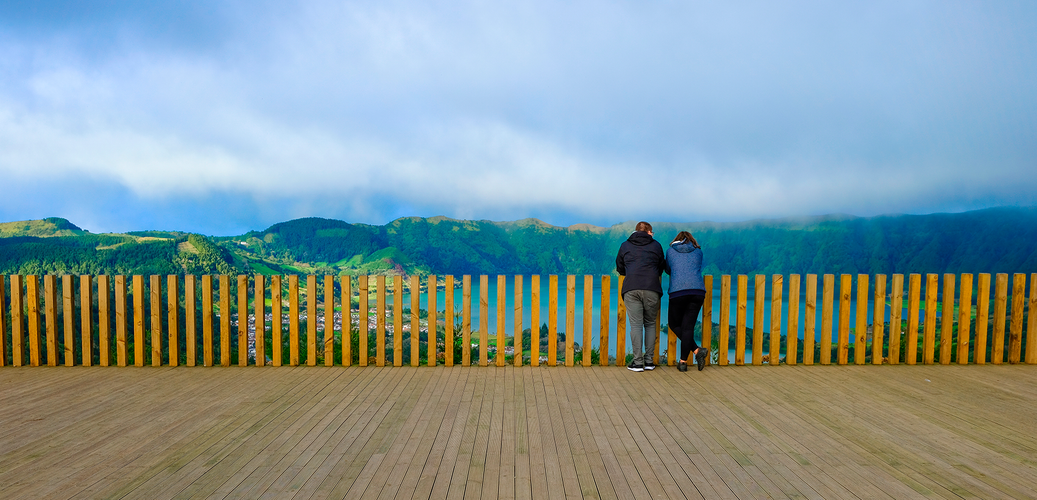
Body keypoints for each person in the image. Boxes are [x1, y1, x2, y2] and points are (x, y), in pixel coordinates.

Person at [616, 221, 665, 372]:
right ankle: (649, 362)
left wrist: (630, 272)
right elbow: (661, 267)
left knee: (636, 325)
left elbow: (619, 266)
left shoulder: (625, 245)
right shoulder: (656, 245)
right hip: (651, 287)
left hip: (631, 288)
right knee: (650, 324)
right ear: (649, 232)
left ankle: (638, 363)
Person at [664, 230, 708, 371]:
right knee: (688, 327)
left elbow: (668, 269)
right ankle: (685, 360)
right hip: (697, 291)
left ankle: (694, 352)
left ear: (676, 239)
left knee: (673, 324)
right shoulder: (698, 251)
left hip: (678, 291)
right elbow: (697, 267)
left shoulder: (670, 252)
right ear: (691, 240)